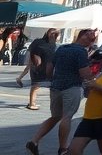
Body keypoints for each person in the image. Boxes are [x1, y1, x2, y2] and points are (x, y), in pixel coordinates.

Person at [26, 27, 97, 155]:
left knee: (55, 116)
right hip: (72, 87)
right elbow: (84, 73)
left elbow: (49, 67)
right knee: (67, 117)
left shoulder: (62, 48)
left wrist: (53, 79)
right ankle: (63, 148)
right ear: (86, 39)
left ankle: (34, 141)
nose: (91, 42)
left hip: (56, 86)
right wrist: (92, 77)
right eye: (91, 39)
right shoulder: (81, 52)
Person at [22, 28, 59, 110]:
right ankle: (32, 104)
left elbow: (30, 51)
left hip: (35, 66)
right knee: (40, 86)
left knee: (35, 86)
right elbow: (51, 58)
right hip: (44, 67)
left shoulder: (37, 41)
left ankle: (32, 103)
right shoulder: (52, 45)